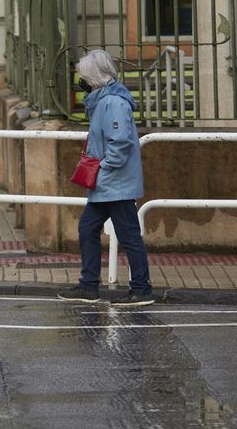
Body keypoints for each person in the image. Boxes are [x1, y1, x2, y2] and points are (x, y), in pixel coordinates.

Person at [58, 49, 154, 306]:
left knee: (128, 235)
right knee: (88, 228)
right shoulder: (104, 101)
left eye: (83, 76)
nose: (81, 81)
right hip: (107, 184)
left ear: (94, 77)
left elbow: (120, 142)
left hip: (115, 183)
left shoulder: (113, 103)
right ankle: (89, 286)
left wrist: (104, 167)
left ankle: (141, 289)